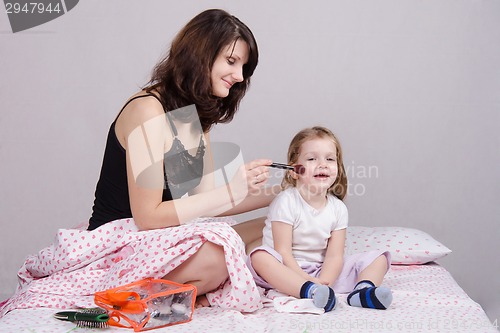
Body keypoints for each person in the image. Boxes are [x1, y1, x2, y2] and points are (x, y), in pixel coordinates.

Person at [0, 9, 273, 317]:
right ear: (201, 56)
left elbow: (200, 201)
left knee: (275, 226)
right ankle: (130, 296)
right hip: (120, 242)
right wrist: (229, 190)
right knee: (219, 254)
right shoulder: (148, 111)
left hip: (161, 238)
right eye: (231, 61)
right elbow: (148, 216)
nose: (239, 76)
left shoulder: (195, 116)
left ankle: (181, 294)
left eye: (244, 66)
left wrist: (288, 192)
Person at [248, 126, 393, 312]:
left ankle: (362, 291)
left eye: (330, 159)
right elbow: (282, 251)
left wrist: (326, 281)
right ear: (294, 170)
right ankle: (309, 290)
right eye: (311, 159)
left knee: (378, 258)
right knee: (260, 257)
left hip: (319, 270)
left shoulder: (338, 209)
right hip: (283, 269)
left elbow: (334, 256)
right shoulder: (286, 201)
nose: (322, 164)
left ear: (338, 168)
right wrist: (305, 280)